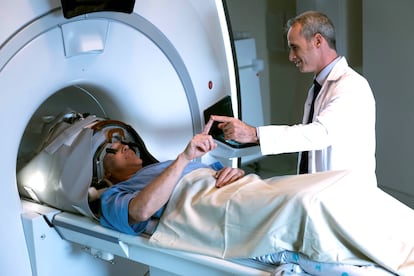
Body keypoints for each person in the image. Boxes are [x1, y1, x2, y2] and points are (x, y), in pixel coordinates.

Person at [208, 11, 376, 174]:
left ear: (318, 41)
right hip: (319, 190)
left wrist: (254, 134)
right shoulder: (319, 87)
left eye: (295, 47)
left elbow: (318, 134)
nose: (291, 56)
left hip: (344, 195)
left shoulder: (351, 86)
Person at [99, 132, 245, 234]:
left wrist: (237, 173)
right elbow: (141, 211)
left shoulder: (162, 167)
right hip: (220, 204)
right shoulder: (113, 194)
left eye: (126, 145)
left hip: (240, 187)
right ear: (106, 173)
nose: (126, 147)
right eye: (114, 150)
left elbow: (219, 173)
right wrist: (184, 158)